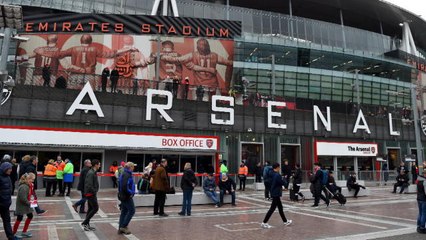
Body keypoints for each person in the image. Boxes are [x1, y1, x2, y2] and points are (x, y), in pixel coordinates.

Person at [261, 163, 293, 229]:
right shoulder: (277, 175)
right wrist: (285, 179)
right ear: (277, 167)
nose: (280, 168)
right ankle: (264, 222)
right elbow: (282, 182)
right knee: (272, 209)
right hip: (276, 193)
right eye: (279, 167)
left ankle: (285, 221)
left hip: (273, 192)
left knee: (280, 208)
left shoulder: (271, 174)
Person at [13, 173, 36, 238]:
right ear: (27, 179)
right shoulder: (24, 187)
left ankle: (24, 231)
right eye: (32, 179)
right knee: (19, 218)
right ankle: (13, 233)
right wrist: (30, 203)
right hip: (22, 205)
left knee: (30, 216)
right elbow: (23, 198)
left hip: (25, 204)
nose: (33, 181)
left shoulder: (27, 185)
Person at [81, 159, 101, 231]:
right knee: (95, 208)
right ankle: (85, 222)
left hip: (91, 193)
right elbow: (89, 184)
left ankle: (87, 225)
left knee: (90, 208)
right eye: (99, 164)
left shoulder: (93, 172)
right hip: (90, 193)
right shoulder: (91, 172)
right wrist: (94, 191)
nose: (100, 165)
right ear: (96, 165)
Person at [118, 162, 136, 235]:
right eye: (133, 166)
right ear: (130, 167)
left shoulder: (125, 173)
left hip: (123, 195)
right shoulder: (127, 174)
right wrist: (130, 193)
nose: (134, 168)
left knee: (124, 211)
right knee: (132, 210)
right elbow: (125, 186)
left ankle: (120, 228)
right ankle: (123, 226)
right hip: (126, 196)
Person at [0, 162, 14, 240]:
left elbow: (9, 189)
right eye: (10, 169)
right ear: (5, 169)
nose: (11, 170)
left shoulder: (8, 177)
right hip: (1, 203)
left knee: (7, 221)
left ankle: (10, 237)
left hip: (6, 204)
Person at [416, 169, 426, 234]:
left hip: (419, 198)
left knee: (420, 213)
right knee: (424, 213)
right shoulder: (425, 181)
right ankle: (422, 227)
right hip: (424, 199)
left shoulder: (418, 180)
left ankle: (418, 226)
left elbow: (417, 190)